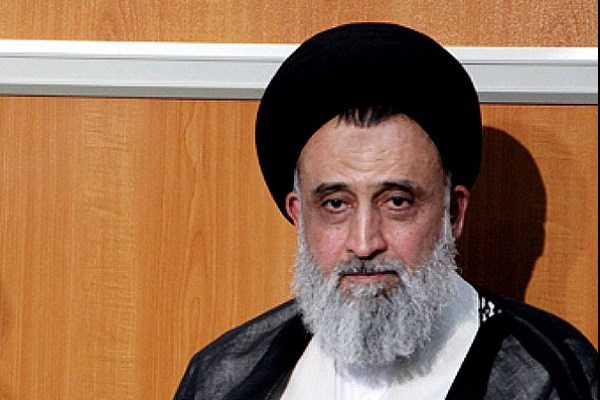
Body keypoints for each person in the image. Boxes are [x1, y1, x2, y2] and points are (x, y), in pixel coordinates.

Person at [174, 22, 597, 400]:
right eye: (336, 204)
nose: (364, 243)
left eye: (397, 202)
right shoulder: (227, 377)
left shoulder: (550, 376)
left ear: (453, 214)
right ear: (299, 216)